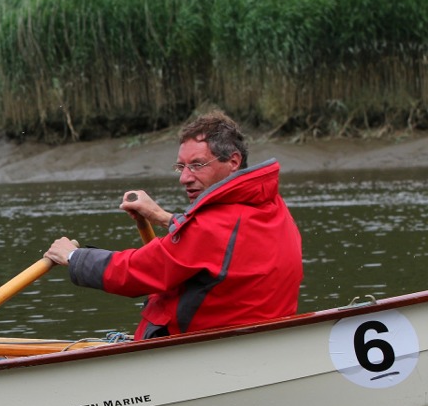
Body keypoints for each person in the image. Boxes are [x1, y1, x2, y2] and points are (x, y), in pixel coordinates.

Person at [44, 110, 302, 339]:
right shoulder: (271, 206)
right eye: (181, 167)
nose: (185, 178)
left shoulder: (211, 228)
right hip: (255, 343)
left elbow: (135, 273)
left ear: (233, 162)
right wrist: (160, 215)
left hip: (201, 351)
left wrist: (74, 256)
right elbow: (221, 241)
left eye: (197, 165)